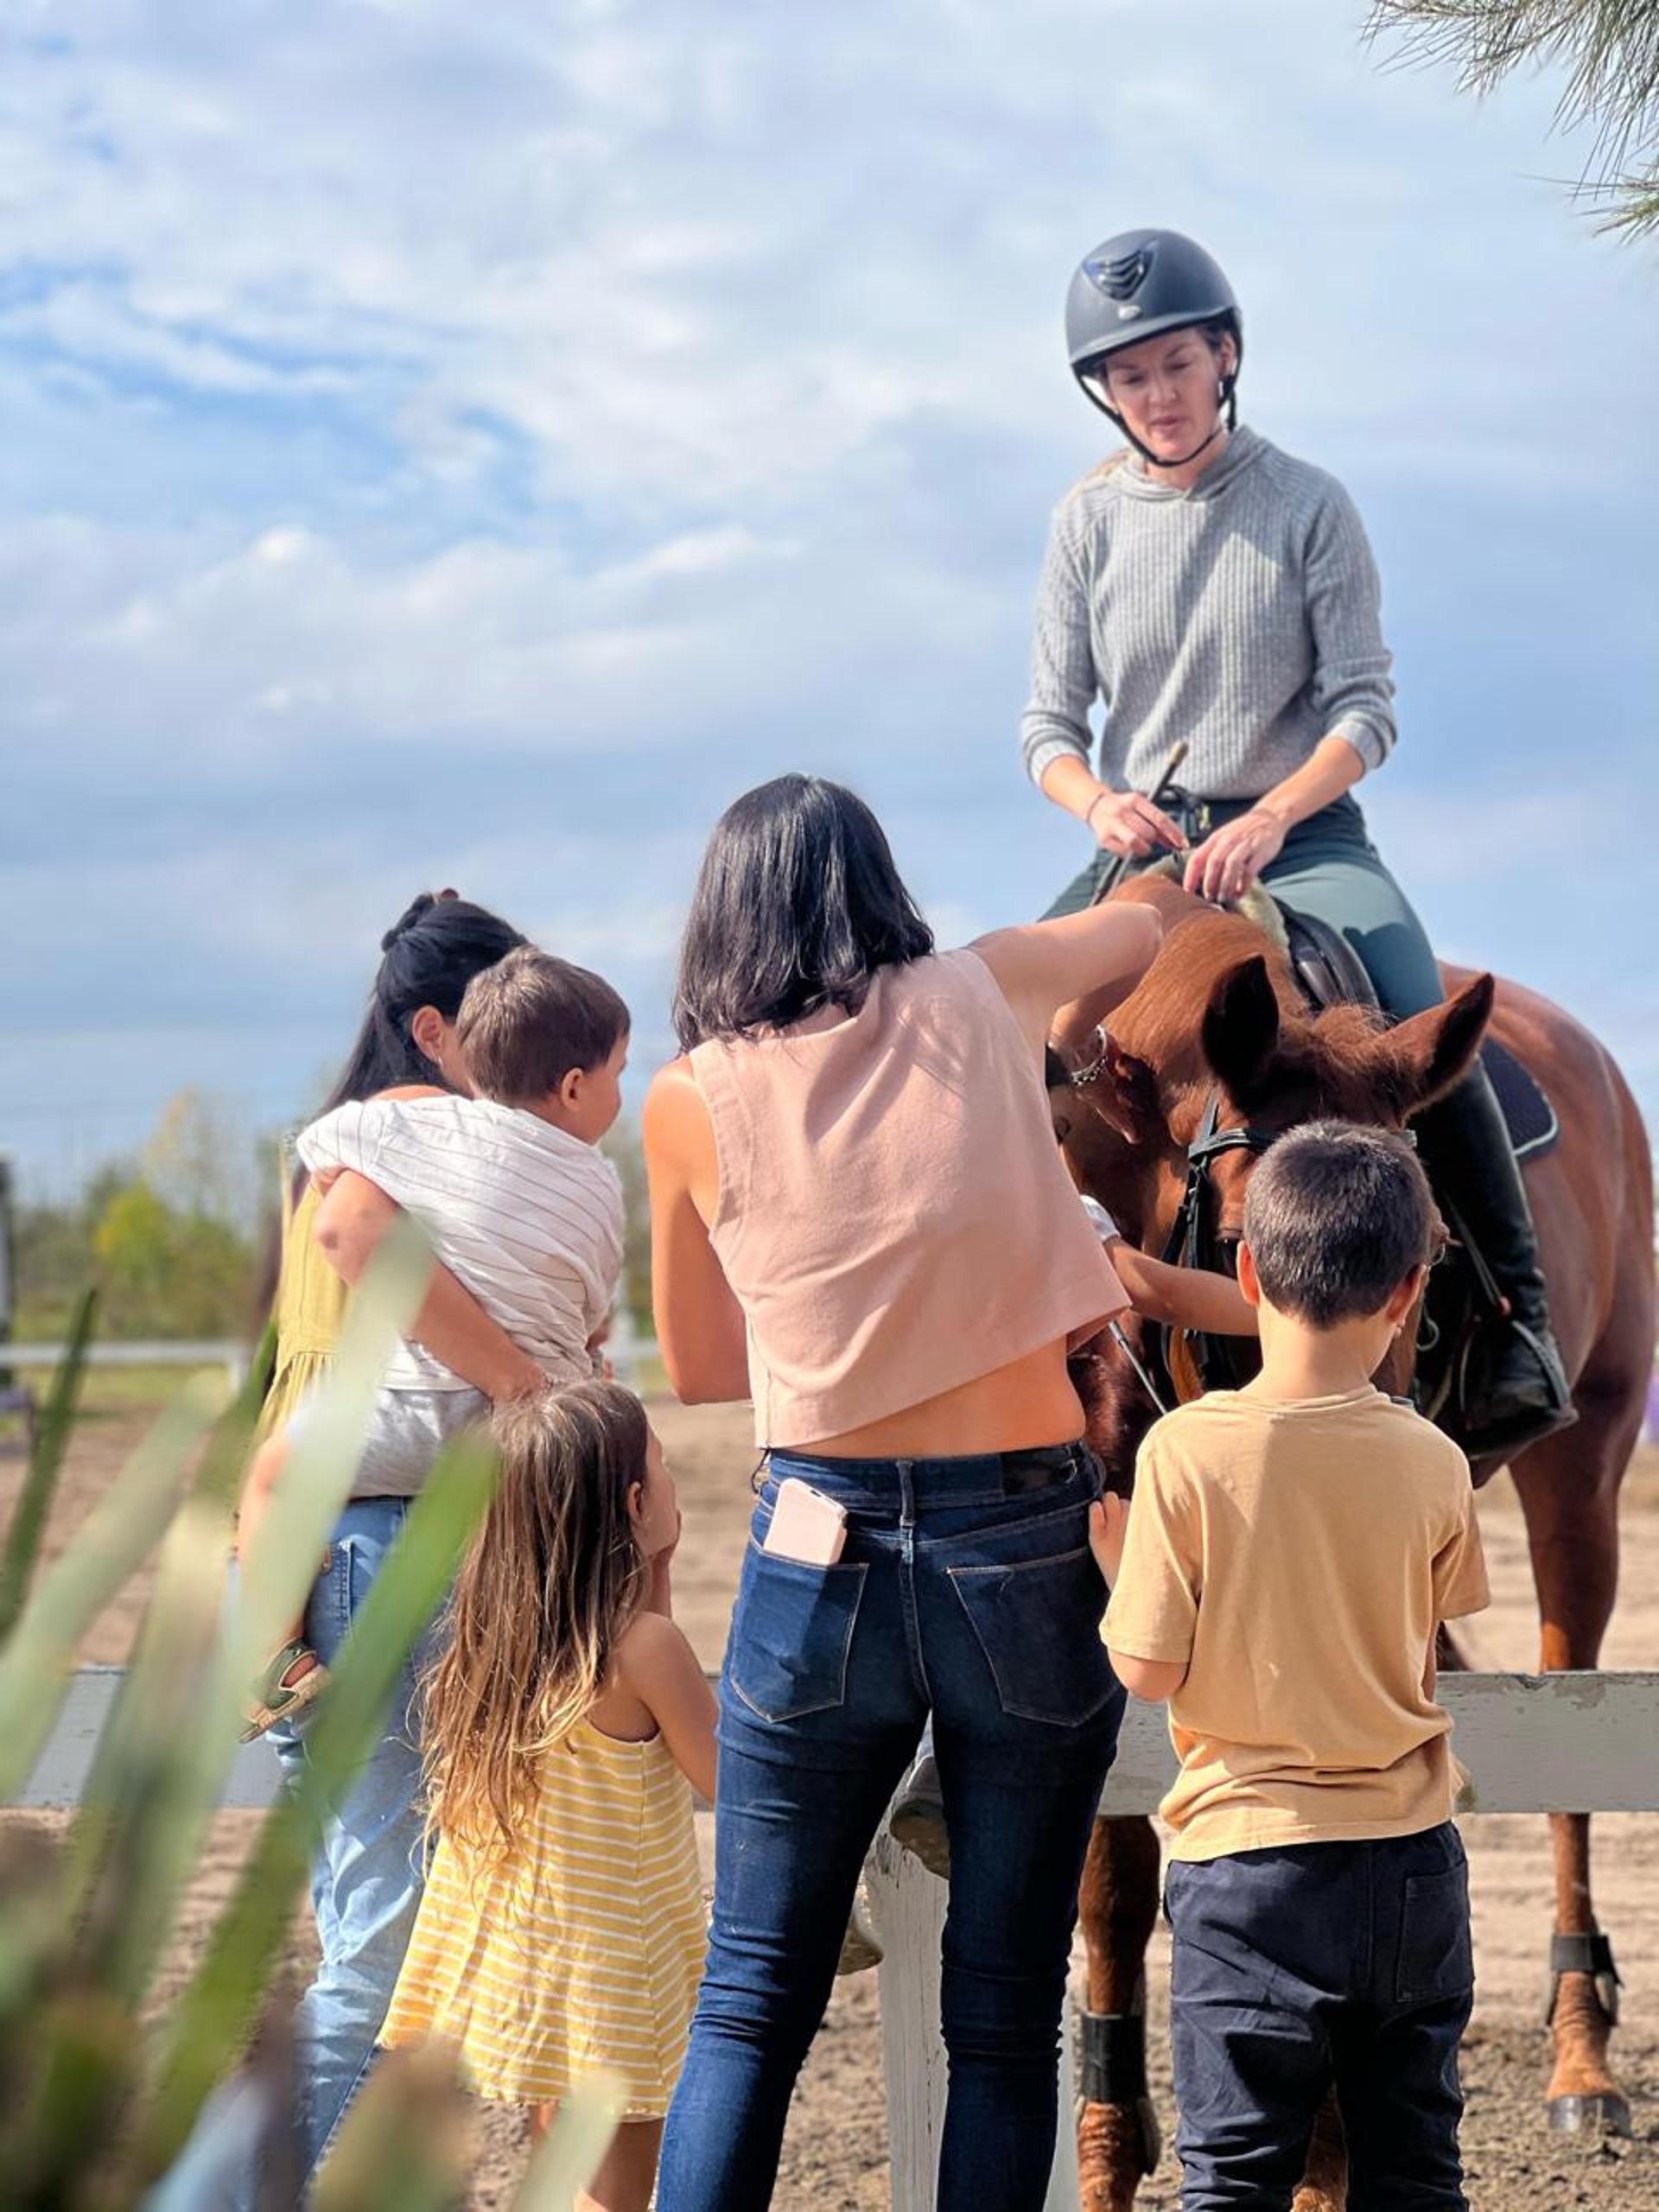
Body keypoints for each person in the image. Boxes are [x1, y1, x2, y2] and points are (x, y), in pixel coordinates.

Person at [645, 772, 1160, 2212]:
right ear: (879, 888)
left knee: (751, 1997)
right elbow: (1142, 928)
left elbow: (695, 1366)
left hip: (819, 1545)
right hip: (1022, 1541)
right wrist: (1134, 889)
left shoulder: (686, 1102)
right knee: (1002, 2014)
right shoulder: (985, 991)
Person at [1020, 224, 1572, 1464]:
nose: (1156, 395)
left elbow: (1367, 708)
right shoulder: (1084, 523)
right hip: (1144, 849)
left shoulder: (1309, 503)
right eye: (1130, 377)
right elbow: (1048, 727)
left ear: (1226, 355)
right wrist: (1094, 804)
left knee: (1416, 1003)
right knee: (1006, 1033)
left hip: (1304, 831)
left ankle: (1514, 1323)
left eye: (1175, 365)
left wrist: (1274, 814)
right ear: (1104, 393)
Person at [151, 892, 545, 2210]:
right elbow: (365, 1266)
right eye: (498, 1019)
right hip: (368, 1554)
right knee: (390, 1964)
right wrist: (529, 1384)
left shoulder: (344, 1147)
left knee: (375, 1951)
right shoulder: (402, 1160)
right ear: (435, 1029)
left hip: (310, 1561)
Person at [1093, 1121, 1490, 2210]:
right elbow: (1420, 1638)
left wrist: (1125, 1566)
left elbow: (1145, 1668)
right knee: (1416, 2172)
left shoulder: (1185, 1450)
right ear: (1408, 1291)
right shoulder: (1436, 1458)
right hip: (1413, 1866)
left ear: (1249, 1269)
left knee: (1233, 2179)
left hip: (1250, 1874)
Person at [237, 945, 631, 1738]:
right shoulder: (602, 1186)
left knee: (273, 1477)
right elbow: (592, 1320)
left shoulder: (420, 1128)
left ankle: (275, 1661)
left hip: (401, 1419)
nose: (625, 1092)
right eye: (622, 1072)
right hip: (520, 1444)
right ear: (576, 1086)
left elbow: (322, 1154)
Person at [889, 1048, 1259, 1874]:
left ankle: (932, 1775)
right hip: (1029, 1458)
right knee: (1072, 1596)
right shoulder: (1067, 1213)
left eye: (1063, 1133)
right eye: (1042, 1130)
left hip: (922, 1460)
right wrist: (1298, 1316)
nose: (1056, 1155)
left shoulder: (917, 1212)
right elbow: (1159, 1292)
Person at [380, 1381, 714, 2212]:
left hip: (537, 1957)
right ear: (636, 1502)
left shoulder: (503, 1645)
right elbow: (723, 1779)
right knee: (618, 2193)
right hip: (615, 1966)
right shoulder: (647, 1651)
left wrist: (657, 1562)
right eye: (663, 1470)